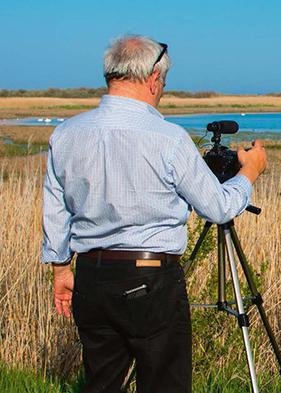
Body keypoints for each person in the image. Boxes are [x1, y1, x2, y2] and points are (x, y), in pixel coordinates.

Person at [41, 35, 267, 393]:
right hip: (151, 278)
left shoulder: (66, 134)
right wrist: (249, 172)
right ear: (152, 80)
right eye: (163, 82)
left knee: (100, 382)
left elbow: (56, 208)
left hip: (90, 277)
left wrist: (60, 269)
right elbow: (219, 207)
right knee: (166, 384)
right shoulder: (169, 138)